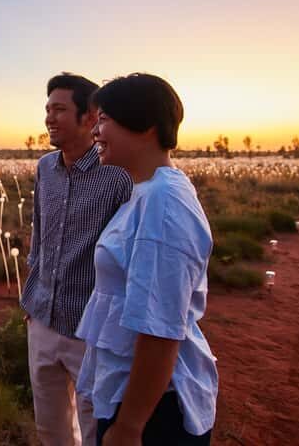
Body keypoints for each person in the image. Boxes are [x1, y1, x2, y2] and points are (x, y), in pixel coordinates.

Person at [74, 73, 218, 446]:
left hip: (154, 412)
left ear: (146, 127)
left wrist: (129, 427)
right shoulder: (146, 192)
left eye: (104, 118)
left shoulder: (164, 202)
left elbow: (160, 328)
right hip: (129, 392)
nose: (95, 131)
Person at [21, 73, 133, 446]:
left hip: (91, 329)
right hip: (42, 319)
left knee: (93, 428)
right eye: (47, 110)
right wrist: (32, 294)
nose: (50, 119)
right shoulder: (44, 169)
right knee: (50, 429)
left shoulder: (117, 176)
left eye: (60, 110)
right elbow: (39, 234)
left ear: (89, 117)